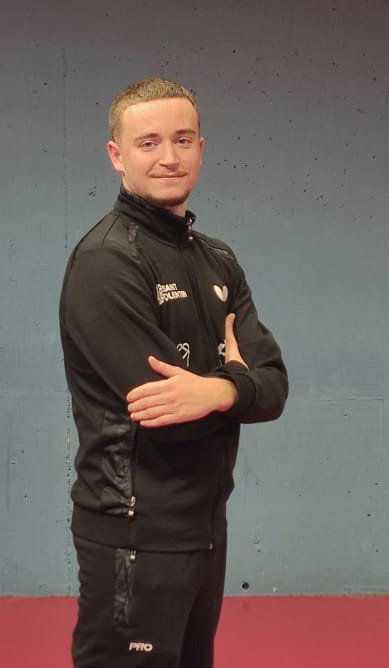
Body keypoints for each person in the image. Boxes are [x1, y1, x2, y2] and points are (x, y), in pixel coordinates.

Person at [59, 77, 288, 668]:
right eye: (149, 143)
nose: (169, 157)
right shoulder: (107, 262)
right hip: (134, 533)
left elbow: (274, 387)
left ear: (201, 149)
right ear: (117, 155)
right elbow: (169, 415)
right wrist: (236, 385)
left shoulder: (218, 259)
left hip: (204, 527)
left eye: (182, 140)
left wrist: (217, 391)